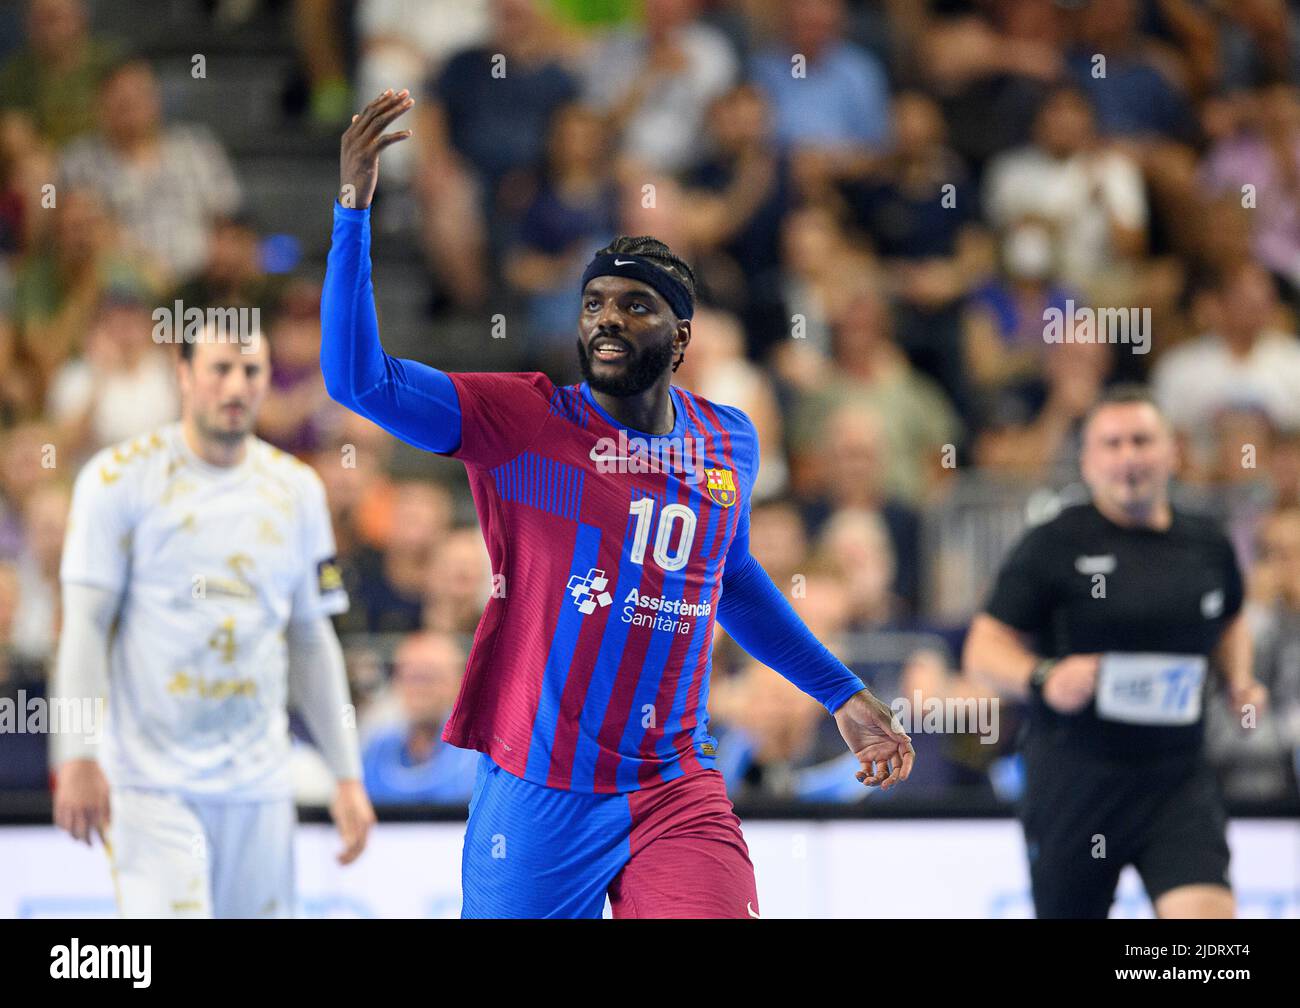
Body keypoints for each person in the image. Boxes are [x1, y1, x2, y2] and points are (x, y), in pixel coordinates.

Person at [323, 89, 914, 919]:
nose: (607, 319)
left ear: (681, 338)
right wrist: (352, 211)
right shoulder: (526, 422)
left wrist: (843, 694)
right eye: (594, 303)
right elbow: (359, 378)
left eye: (634, 305)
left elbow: (729, 575)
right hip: (540, 787)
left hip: (672, 782)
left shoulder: (730, 440)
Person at [50, 325, 375, 918]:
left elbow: (311, 639)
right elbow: (85, 628)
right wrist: (75, 754)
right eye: (220, 369)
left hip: (259, 785)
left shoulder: (297, 490)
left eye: (252, 372)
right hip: (150, 785)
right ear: (183, 376)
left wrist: (346, 774)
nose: (236, 386)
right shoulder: (116, 479)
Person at [963, 384, 1268, 919]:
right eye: (1112, 444)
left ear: (1172, 451)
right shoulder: (1053, 543)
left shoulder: (1206, 543)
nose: (1128, 457)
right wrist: (1044, 676)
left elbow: (1229, 618)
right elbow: (983, 649)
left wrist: (1240, 680)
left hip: (1178, 778)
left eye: (1141, 441)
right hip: (1077, 781)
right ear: (1087, 460)